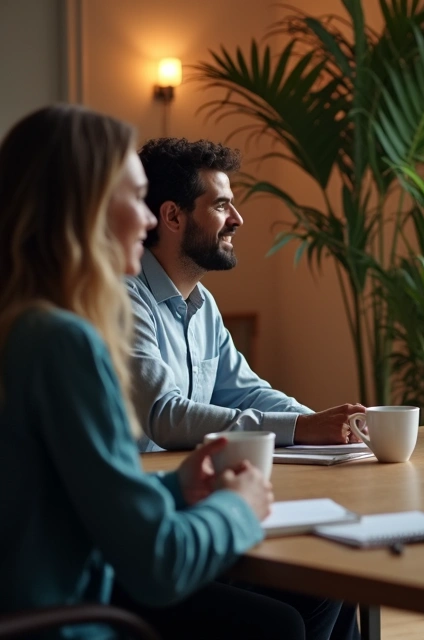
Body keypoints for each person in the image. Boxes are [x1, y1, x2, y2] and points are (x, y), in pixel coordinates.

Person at [0, 105, 280, 638]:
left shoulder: (20, 329)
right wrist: (238, 507)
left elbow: (62, 499)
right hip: (67, 623)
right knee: (281, 622)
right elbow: (158, 565)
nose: (151, 219)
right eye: (135, 198)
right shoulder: (63, 343)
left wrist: (175, 490)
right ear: (83, 210)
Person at [127, 137, 365, 452]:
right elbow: (163, 415)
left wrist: (330, 428)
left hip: (191, 484)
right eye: (221, 205)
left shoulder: (203, 305)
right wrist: (303, 428)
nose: (237, 219)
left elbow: (247, 394)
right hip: (140, 493)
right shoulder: (123, 298)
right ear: (172, 216)